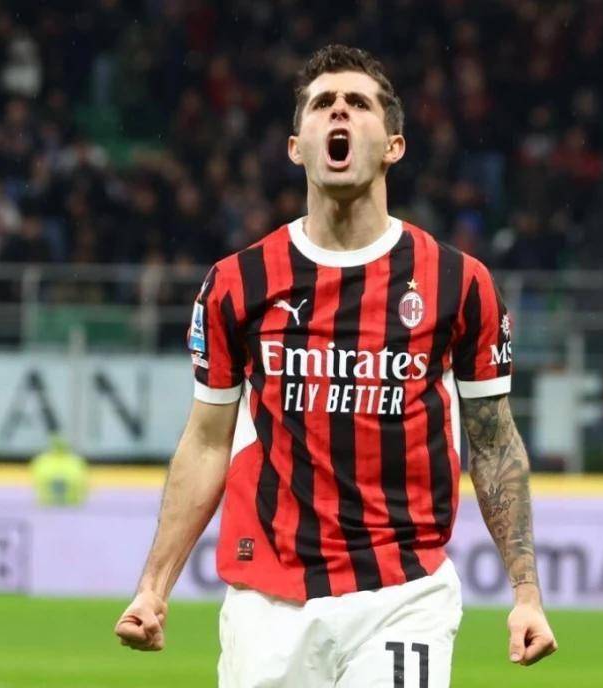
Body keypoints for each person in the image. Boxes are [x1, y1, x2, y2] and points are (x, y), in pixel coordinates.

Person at [115, 45, 557, 686]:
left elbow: (494, 443)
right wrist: (154, 588)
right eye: (323, 103)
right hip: (268, 600)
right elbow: (207, 442)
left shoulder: (459, 283)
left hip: (403, 594)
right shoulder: (238, 283)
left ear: (394, 145)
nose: (340, 112)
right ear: (297, 147)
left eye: (359, 103)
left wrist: (526, 593)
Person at [29, 434, 89, 507]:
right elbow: (83, 483)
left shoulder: (42, 460)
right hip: (71, 503)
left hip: (48, 504)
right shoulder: (76, 461)